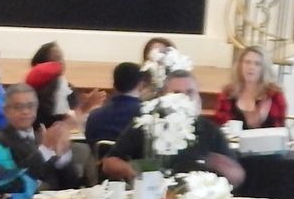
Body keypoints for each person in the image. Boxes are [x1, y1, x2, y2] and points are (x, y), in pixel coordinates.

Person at [100, 67, 241, 183]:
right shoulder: (148, 125)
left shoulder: (210, 130)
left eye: (190, 92)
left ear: (198, 97)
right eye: (176, 93)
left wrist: (222, 166)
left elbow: (237, 176)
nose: (184, 98)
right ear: (163, 97)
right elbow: (109, 163)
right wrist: (131, 171)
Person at [0, 82, 86, 191]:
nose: (25, 111)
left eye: (30, 106)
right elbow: (15, 181)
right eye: (18, 107)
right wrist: (45, 149)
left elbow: (71, 184)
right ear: (5, 111)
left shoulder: (41, 136)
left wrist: (63, 156)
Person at [215, 46, 287, 130]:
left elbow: (280, 128)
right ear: (240, 65)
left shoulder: (275, 95)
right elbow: (219, 125)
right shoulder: (228, 93)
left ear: (264, 69)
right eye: (247, 62)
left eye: (257, 64)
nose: (251, 67)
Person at [85, 62, 145, 149]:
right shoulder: (146, 116)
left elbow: (90, 145)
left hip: (101, 158)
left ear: (114, 84)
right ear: (141, 85)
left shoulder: (94, 116)